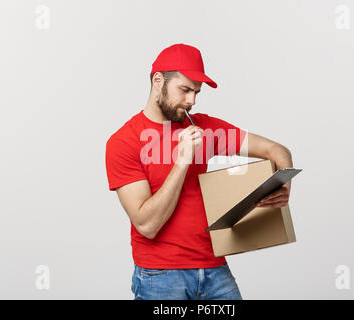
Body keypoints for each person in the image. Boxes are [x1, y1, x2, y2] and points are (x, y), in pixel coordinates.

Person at [105, 43, 294, 300]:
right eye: (184, 90)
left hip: (214, 269)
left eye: (196, 92)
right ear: (158, 81)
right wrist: (182, 161)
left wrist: (282, 187)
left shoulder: (205, 129)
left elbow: (276, 150)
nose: (191, 100)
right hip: (160, 276)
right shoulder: (124, 141)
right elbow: (147, 225)